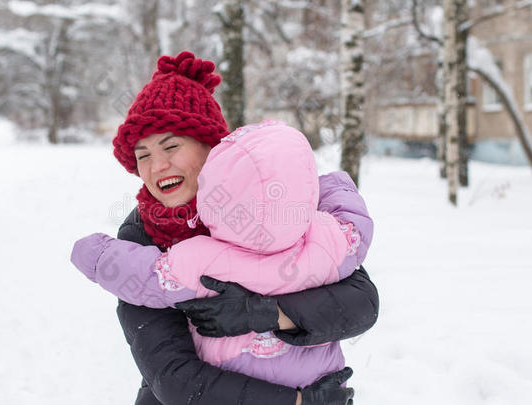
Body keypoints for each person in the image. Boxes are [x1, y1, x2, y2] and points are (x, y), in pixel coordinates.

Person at [84, 51, 378, 404]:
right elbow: (172, 376)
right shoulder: (142, 237)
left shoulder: (274, 199)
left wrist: (271, 313)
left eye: (171, 146)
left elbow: (361, 303)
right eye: (142, 154)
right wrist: (299, 401)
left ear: (211, 145)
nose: (157, 165)